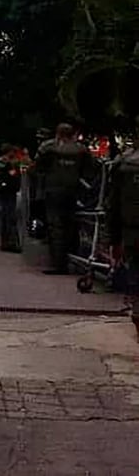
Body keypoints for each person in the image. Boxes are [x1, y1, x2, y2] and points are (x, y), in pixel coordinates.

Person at [35, 123, 91, 274]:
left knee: (55, 227)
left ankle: (58, 264)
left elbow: (38, 166)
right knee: (72, 225)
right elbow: (89, 170)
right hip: (73, 191)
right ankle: (75, 260)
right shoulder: (81, 150)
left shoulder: (48, 148)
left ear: (58, 134)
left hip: (53, 190)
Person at [106, 140, 139, 341]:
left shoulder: (124, 164)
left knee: (135, 279)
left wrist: (114, 239)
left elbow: (113, 205)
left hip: (132, 233)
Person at [0, 144, 22, 253]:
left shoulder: (11, 161)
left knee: (9, 216)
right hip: (5, 191)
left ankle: (8, 241)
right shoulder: (3, 161)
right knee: (9, 216)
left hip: (10, 190)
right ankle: (9, 242)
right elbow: (2, 174)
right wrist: (13, 171)